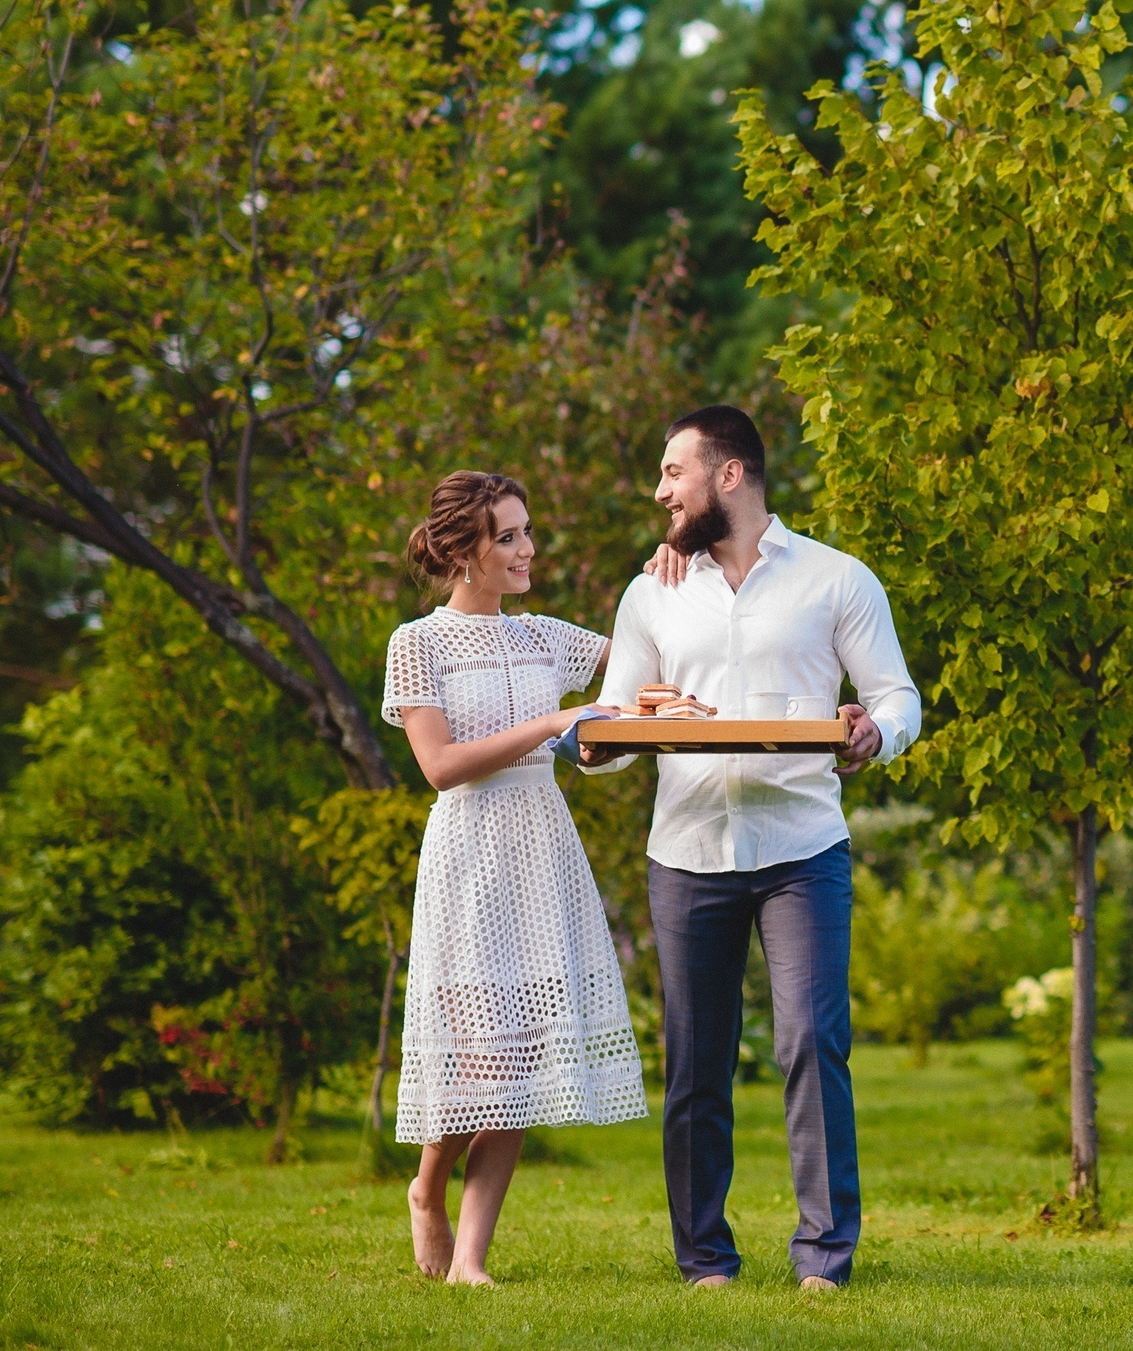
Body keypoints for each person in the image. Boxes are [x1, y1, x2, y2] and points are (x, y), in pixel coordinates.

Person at [578, 404, 919, 1292]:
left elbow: (896, 696)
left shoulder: (838, 580)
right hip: (686, 850)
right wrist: (597, 742)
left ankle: (824, 1259)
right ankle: (705, 1261)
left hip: (803, 847)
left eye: (672, 472)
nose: (659, 491)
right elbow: (618, 719)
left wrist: (873, 732)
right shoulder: (651, 591)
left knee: (811, 1042)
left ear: (729, 475)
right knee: (695, 1058)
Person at [380, 471, 647, 1285]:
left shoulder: (545, 637)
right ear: (464, 550)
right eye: (508, 536)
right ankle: (427, 1187)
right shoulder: (417, 642)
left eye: (527, 531)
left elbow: (643, 670)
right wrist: (557, 720)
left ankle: (470, 1261)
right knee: (476, 1059)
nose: (527, 548)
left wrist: (671, 581)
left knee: (525, 1059)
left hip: (543, 851)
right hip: (468, 858)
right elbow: (440, 765)